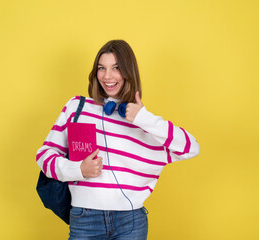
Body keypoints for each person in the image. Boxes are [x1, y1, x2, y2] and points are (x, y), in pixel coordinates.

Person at [36, 40, 200, 239]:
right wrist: (78, 170)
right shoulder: (77, 107)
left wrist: (144, 118)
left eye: (116, 68)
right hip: (85, 218)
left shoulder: (143, 122)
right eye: (101, 68)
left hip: (131, 221)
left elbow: (191, 148)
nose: (107, 76)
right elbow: (45, 156)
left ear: (128, 72)